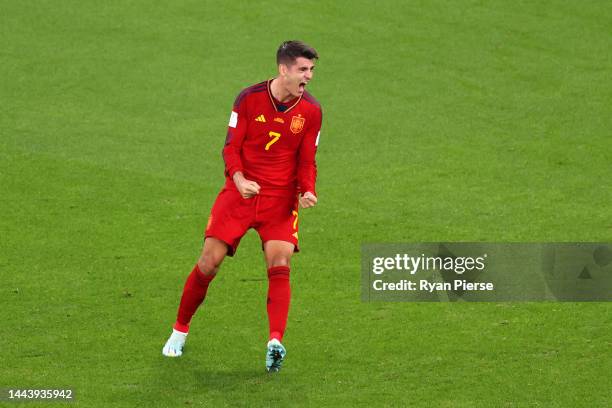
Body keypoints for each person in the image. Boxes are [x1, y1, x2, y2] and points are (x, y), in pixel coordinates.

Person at [162, 40, 322, 373]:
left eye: (311, 70)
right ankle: (179, 330)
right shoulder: (248, 99)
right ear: (284, 69)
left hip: (279, 199)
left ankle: (275, 341)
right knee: (209, 261)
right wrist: (238, 179)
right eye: (302, 70)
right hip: (240, 194)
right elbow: (230, 148)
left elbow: (307, 160)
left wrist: (308, 190)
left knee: (280, 261)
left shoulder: (311, 111)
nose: (308, 77)